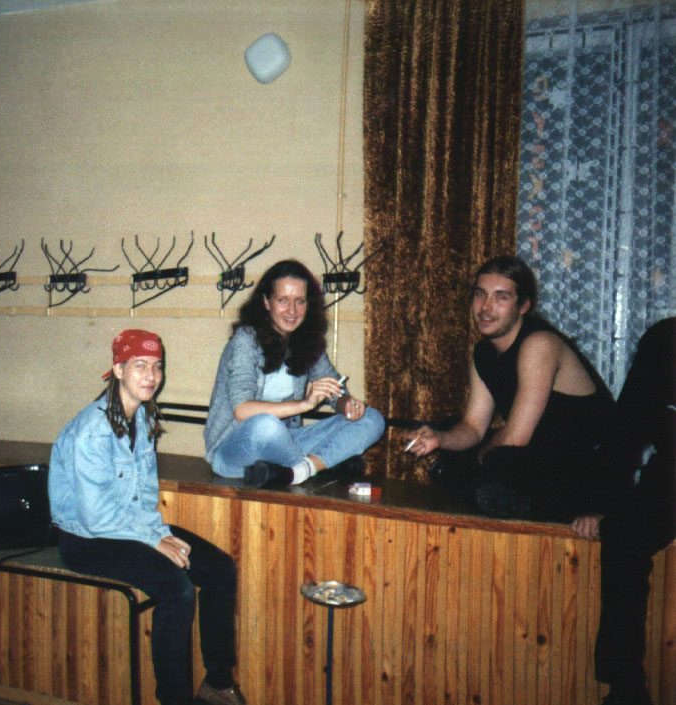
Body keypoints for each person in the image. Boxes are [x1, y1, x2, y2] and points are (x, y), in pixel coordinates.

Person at [48, 329, 245, 705]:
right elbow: (94, 518)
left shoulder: (141, 419)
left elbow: (143, 498)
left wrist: (157, 533)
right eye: (140, 365)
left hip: (126, 528)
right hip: (85, 540)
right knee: (177, 590)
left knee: (219, 568)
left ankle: (217, 683)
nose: (151, 376)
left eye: (157, 366)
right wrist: (154, 539)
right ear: (118, 369)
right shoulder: (92, 430)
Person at [404, 255, 619, 519]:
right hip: (543, 457)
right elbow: (473, 427)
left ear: (524, 305)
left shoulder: (539, 344)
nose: (486, 307)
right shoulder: (483, 353)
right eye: (480, 294)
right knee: (451, 431)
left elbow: (516, 439)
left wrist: (476, 460)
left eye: (501, 297)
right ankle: (477, 488)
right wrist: (440, 439)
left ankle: (470, 485)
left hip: (592, 469)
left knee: (500, 461)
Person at [204, 259, 384, 487]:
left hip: (286, 444)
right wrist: (305, 404)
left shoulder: (306, 340)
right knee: (267, 425)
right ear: (266, 302)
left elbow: (334, 388)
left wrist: (346, 404)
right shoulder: (246, 339)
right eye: (283, 300)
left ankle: (300, 471)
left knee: (373, 418)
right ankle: (321, 465)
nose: (292, 310)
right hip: (235, 450)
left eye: (300, 301)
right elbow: (242, 410)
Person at [571, 317, 675, 705]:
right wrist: (601, 505)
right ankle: (626, 688)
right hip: (670, 478)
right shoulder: (665, 340)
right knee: (623, 535)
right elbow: (624, 432)